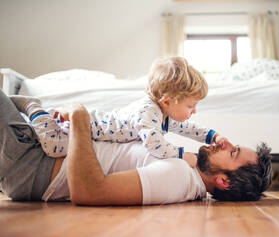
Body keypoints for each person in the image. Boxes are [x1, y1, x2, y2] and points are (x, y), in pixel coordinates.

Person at [0, 89, 273, 204]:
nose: (225, 144)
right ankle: (31, 107)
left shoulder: (177, 178)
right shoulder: (188, 172)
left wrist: (80, 119)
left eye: (232, 152)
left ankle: (32, 107)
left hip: (32, 162)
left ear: (224, 181)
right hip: (36, 151)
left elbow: (89, 192)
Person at [10, 57, 228, 161]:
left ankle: (30, 122)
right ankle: (34, 109)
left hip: (91, 130)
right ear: (168, 101)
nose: (194, 111)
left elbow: (187, 128)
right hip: (83, 127)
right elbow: (155, 145)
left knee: (39, 142)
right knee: (54, 147)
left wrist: (213, 136)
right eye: (191, 106)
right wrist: (184, 155)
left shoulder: (162, 112)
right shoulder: (148, 113)